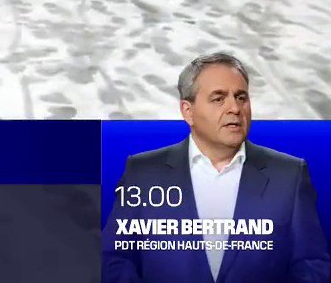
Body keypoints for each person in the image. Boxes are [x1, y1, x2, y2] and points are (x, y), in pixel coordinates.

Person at [102, 52, 331, 283]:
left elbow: (312, 263)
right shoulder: (142, 174)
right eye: (219, 99)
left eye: (241, 97)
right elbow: (115, 258)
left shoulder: (290, 175)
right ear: (188, 111)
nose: (235, 108)